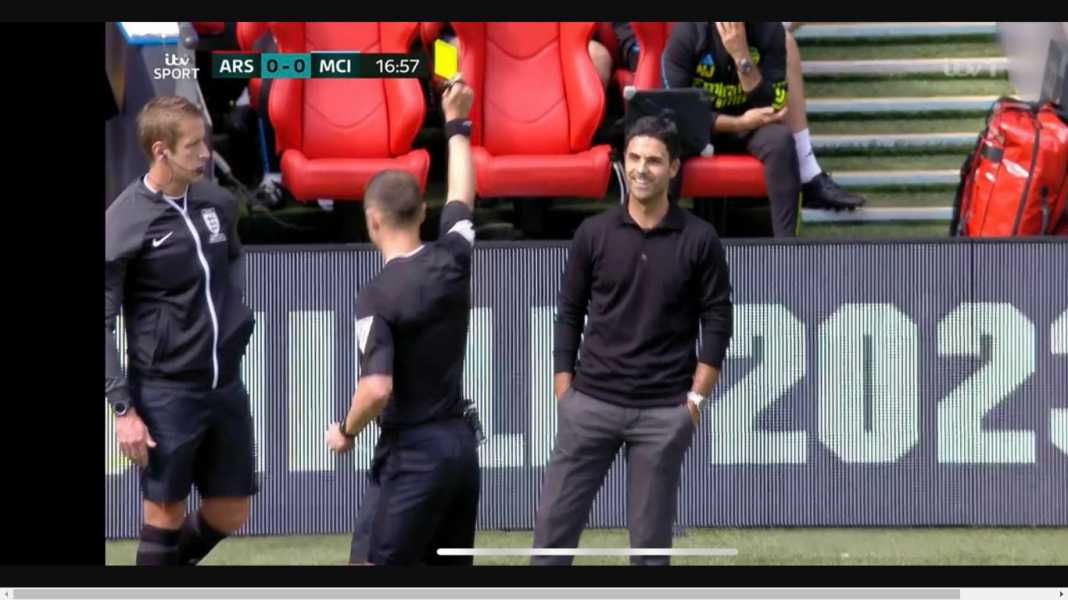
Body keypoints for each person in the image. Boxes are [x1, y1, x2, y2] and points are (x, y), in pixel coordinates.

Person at [531, 115, 734, 566]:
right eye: (635, 158)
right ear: (623, 162)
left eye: (654, 161)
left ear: (674, 167)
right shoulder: (593, 234)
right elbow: (569, 312)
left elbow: (718, 321)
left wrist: (695, 401)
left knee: (649, 554)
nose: (642, 169)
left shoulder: (700, 239)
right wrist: (564, 389)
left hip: (663, 413)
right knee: (549, 546)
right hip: (590, 405)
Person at [324, 75, 482, 566]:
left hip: (413, 454)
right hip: (461, 449)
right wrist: (456, 125)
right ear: (423, 212)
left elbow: (376, 389)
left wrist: (346, 430)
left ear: (372, 220)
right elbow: (463, 198)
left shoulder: (375, 296)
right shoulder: (453, 256)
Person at [105, 95, 258, 566]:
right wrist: (123, 407)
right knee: (164, 513)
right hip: (165, 391)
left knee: (231, 511)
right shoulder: (124, 221)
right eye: (193, 146)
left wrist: (237, 322)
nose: (205, 153)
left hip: (226, 386)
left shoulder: (218, 203)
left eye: (204, 142)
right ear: (160, 150)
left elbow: (228, 264)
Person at [661, 21, 866, 236]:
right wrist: (739, 123)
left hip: (753, 124)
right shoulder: (689, 31)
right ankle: (660, 240)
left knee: (781, 141)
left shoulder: (769, 30)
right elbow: (678, 111)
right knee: (667, 139)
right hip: (703, 127)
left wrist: (741, 57)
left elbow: (773, 105)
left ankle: (786, 250)